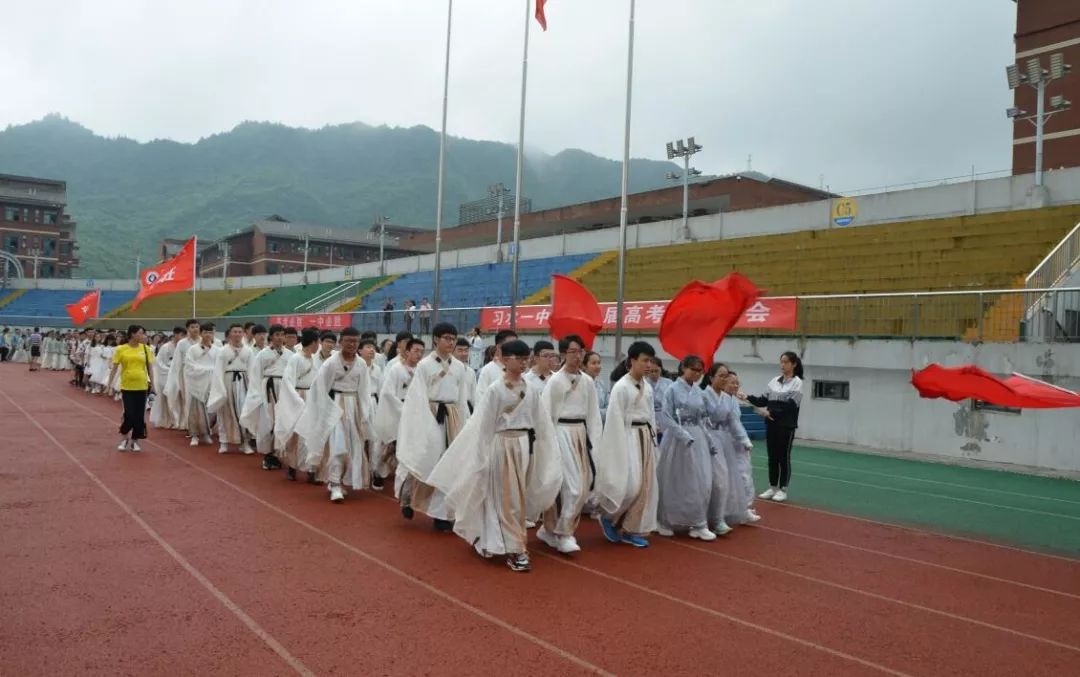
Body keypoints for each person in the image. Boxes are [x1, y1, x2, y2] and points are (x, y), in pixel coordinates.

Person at [427, 339, 561, 572]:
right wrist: (480, 459)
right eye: (518, 359)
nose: (523, 363)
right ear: (505, 359)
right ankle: (515, 548)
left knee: (515, 497)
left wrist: (546, 449)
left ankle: (492, 540)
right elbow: (483, 426)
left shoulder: (529, 387)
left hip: (523, 447)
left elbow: (541, 421)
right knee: (506, 499)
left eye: (525, 359)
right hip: (502, 445)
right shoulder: (495, 389)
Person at [396, 322, 471, 531]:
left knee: (448, 463)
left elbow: (462, 397)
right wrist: (422, 422)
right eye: (446, 337)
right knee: (425, 459)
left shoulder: (459, 367)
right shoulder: (424, 365)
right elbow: (416, 397)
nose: (451, 342)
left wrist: (464, 422)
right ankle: (408, 496)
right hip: (429, 415)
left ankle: (442, 514)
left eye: (453, 338)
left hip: (452, 417)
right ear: (436, 339)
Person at [536, 335, 603, 554]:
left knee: (581, 488)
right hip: (560, 434)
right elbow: (545, 414)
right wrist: (549, 444)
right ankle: (562, 532)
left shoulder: (587, 382)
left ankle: (555, 531)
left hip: (580, 435)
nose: (578, 356)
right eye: (573, 352)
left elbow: (593, 415)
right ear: (564, 354)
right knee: (570, 488)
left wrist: (594, 441)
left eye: (581, 351)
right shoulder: (555, 381)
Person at [593, 341, 659, 548]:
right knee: (630, 486)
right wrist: (617, 446)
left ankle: (631, 529)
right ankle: (608, 517)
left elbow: (652, 415)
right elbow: (614, 419)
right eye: (644, 360)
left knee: (645, 488)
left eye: (651, 361)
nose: (649, 365)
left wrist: (653, 438)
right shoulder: (621, 387)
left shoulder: (647, 387)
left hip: (644, 438)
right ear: (632, 361)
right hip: (627, 438)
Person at [295, 327, 372, 503]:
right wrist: (323, 410)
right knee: (338, 446)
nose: (352, 344)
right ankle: (335, 484)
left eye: (356, 341)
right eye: (348, 341)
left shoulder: (361, 364)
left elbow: (365, 390)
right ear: (341, 342)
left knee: (353, 447)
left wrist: (364, 412)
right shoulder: (331, 362)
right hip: (335, 407)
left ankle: (337, 479)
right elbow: (320, 387)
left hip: (354, 407)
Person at [655, 355, 718, 541]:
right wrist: (682, 435)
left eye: (700, 371)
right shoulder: (672, 390)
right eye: (693, 369)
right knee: (675, 480)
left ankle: (698, 522)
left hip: (697, 436)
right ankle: (665, 520)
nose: (697, 374)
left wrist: (709, 440)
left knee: (701, 480)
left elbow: (702, 419)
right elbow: (665, 416)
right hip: (677, 439)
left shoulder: (698, 392)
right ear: (683, 368)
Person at [742, 351, 804, 503]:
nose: (782, 365)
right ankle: (773, 487)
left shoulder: (797, 382)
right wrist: (747, 397)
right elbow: (763, 399)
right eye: (781, 362)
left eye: (786, 362)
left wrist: (770, 411)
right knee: (772, 457)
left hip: (786, 426)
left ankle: (783, 489)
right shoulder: (774, 381)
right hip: (771, 425)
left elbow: (791, 405)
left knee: (784, 457)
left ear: (793, 364)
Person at [373, 337, 424, 491]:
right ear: (407, 351)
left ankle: (405, 480)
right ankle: (378, 472)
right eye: (416, 351)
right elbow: (388, 392)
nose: (419, 355)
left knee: (408, 445)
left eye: (422, 352)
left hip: (414, 412)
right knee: (388, 445)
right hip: (396, 411)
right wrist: (403, 409)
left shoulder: (421, 370)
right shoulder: (396, 368)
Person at [241, 324, 291, 470]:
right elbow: (255, 375)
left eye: (282, 335)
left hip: (284, 390)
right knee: (268, 422)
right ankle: (268, 455)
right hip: (267, 390)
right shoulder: (262, 354)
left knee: (282, 422)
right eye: (277, 335)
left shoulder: (290, 355)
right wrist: (256, 395)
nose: (280, 338)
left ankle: (278, 453)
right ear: (271, 336)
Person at [274, 328, 321, 483]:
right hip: (298, 397)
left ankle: (311, 470)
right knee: (296, 434)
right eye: (317, 342)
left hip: (312, 398)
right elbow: (288, 382)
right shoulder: (296, 359)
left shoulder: (315, 360)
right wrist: (298, 400)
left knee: (312, 434)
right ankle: (292, 468)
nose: (318, 345)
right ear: (312, 342)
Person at [712, 369, 758, 526]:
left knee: (745, 475)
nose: (735, 385)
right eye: (732, 382)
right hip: (724, 442)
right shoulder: (717, 399)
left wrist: (744, 441)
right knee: (725, 478)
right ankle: (722, 512)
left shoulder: (733, 401)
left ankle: (743, 508)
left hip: (737, 443)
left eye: (737, 382)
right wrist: (743, 439)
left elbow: (736, 423)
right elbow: (731, 423)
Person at [207, 323, 254, 455]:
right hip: (227, 382)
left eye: (240, 332)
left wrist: (252, 388)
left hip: (243, 382)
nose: (238, 334)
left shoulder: (248, 351)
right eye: (235, 332)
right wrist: (220, 389)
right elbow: (218, 371)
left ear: (243, 334)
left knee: (243, 413)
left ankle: (244, 443)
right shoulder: (223, 351)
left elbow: (252, 370)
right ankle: (224, 442)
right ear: (230, 334)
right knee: (225, 413)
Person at [183, 323, 219, 446]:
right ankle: (194, 435)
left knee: (211, 411)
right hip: (197, 384)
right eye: (206, 332)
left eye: (211, 332)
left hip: (212, 384)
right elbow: (189, 366)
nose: (208, 335)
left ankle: (206, 433)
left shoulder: (217, 350)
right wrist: (206, 370)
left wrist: (213, 372)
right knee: (196, 411)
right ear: (201, 333)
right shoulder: (193, 350)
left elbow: (220, 367)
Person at [165, 319, 203, 431]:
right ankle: (189, 424)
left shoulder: (203, 341)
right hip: (186, 374)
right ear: (187, 329)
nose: (195, 329)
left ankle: (202, 424)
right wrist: (175, 378)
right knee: (188, 399)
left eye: (197, 326)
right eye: (192, 327)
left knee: (202, 399)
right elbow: (177, 362)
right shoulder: (182, 343)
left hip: (202, 375)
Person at [150, 328, 184, 429]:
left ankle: (180, 421)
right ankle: (167, 420)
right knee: (166, 399)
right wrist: (170, 370)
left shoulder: (183, 347)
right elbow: (159, 362)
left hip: (180, 376)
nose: (183, 337)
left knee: (180, 400)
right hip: (166, 376)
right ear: (175, 335)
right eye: (181, 335)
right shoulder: (166, 347)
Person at [475, 329, 518, 403]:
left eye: (516, 345)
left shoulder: (518, 369)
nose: (515, 348)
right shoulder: (487, 370)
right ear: (498, 347)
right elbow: (480, 399)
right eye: (511, 345)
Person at [584, 350, 609, 422]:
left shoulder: (602, 384)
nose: (597, 366)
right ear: (585, 365)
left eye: (599, 363)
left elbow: (609, 407)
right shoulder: (581, 384)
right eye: (593, 363)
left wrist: (596, 413)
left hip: (600, 426)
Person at [454, 337, 477, 411]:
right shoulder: (447, 371)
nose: (464, 353)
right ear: (452, 351)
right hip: (452, 408)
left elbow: (474, 395)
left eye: (466, 350)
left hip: (468, 408)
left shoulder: (471, 372)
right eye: (460, 350)